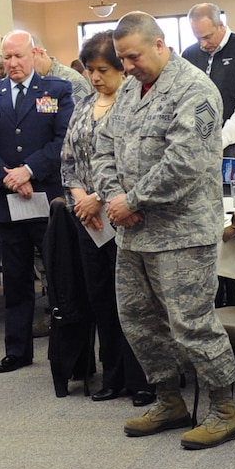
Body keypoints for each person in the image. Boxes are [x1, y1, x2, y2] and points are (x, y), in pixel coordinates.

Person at [93, 11, 235, 449]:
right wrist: (115, 198)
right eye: (122, 59)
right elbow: (103, 148)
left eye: (133, 56)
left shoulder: (195, 90)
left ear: (160, 45)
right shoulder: (129, 92)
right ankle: (169, 399)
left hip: (182, 231)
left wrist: (132, 200)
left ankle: (224, 409)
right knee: (138, 321)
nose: (128, 65)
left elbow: (185, 162)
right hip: (133, 232)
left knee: (191, 323)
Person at [0, 31, 73, 372]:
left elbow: (62, 141)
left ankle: (69, 349)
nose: (13, 64)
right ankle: (17, 350)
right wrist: (9, 177)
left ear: (33, 54)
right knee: (16, 279)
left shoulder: (57, 90)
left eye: (18, 56)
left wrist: (29, 171)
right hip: (8, 200)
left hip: (46, 198)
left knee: (58, 277)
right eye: (7, 58)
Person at [63, 30, 153, 404]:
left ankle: (143, 379)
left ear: (122, 69)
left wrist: (100, 196)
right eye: (89, 70)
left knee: (132, 302)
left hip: (121, 214)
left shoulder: (133, 105)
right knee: (101, 300)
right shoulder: (84, 105)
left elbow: (134, 163)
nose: (95, 77)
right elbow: (67, 160)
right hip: (88, 220)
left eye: (103, 69)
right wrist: (81, 197)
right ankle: (112, 376)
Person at [182, 2, 235, 196]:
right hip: (202, 151)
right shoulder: (189, 55)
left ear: (221, 25)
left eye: (207, 36)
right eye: (198, 38)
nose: (203, 44)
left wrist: (220, 140)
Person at [36, 43, 94, 108]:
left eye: (24, 57)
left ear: (41, 53)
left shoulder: (73, 80)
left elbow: (80, 114)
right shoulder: (35, 83)